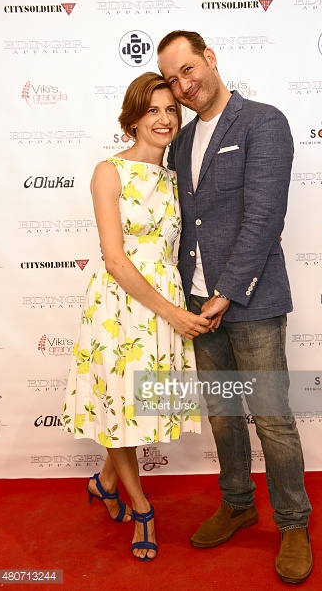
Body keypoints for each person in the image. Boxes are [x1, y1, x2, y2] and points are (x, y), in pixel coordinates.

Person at [157, 31, 313, 583]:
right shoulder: (178, 140)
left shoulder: (263, 123)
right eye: (174, 79)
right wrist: (194, 298)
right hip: (198, 306)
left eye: (189, 69)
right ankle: (239, 503)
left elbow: (264, 217)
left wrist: (227, 293)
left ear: (210, 59)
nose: (184, 84)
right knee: (223, 417)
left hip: (250, 301)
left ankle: (294, 522)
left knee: (271, 419)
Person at [61, 71, 210, 562]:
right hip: (120, 308)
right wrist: (174, 313)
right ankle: (141, 507)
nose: (164, 119)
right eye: (153, 111)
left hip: (164, 301)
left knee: (134, 407)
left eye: (171, 110)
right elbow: (116, 259)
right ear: (133, 117)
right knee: (125, 406)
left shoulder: (174, 179)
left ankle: (105, 481)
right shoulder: (109, 171)